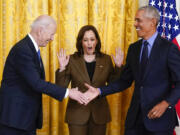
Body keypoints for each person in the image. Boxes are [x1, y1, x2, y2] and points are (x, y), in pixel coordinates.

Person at [84, 6, 180, 135]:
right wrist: (100, 91)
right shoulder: (133, 49)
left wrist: (165, 103)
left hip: (160, 120)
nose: (135, 24)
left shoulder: (169, 49)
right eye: (135, 20)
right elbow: (124, 81)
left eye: (138, 20)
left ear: (152, 22)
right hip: (135, 120)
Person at [0, 15, 87, 135]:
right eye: (51, 34)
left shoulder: (31, 49)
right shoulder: (23, 50)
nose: (52, 39)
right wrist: (69, 92)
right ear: (40, 31)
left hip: (24, 119)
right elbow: (37, 83)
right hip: (15, 121)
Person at [55, 25, 124, 135]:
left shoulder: (106, 59)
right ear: (81, 42)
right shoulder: (72, 59)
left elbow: (114, 85)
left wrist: (118, 67)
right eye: (85, 40)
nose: (89, 43)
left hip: (100, 114)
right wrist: (62, 67)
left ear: (97, 41)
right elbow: (61, 87)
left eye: (92, 39)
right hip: (77, 114)